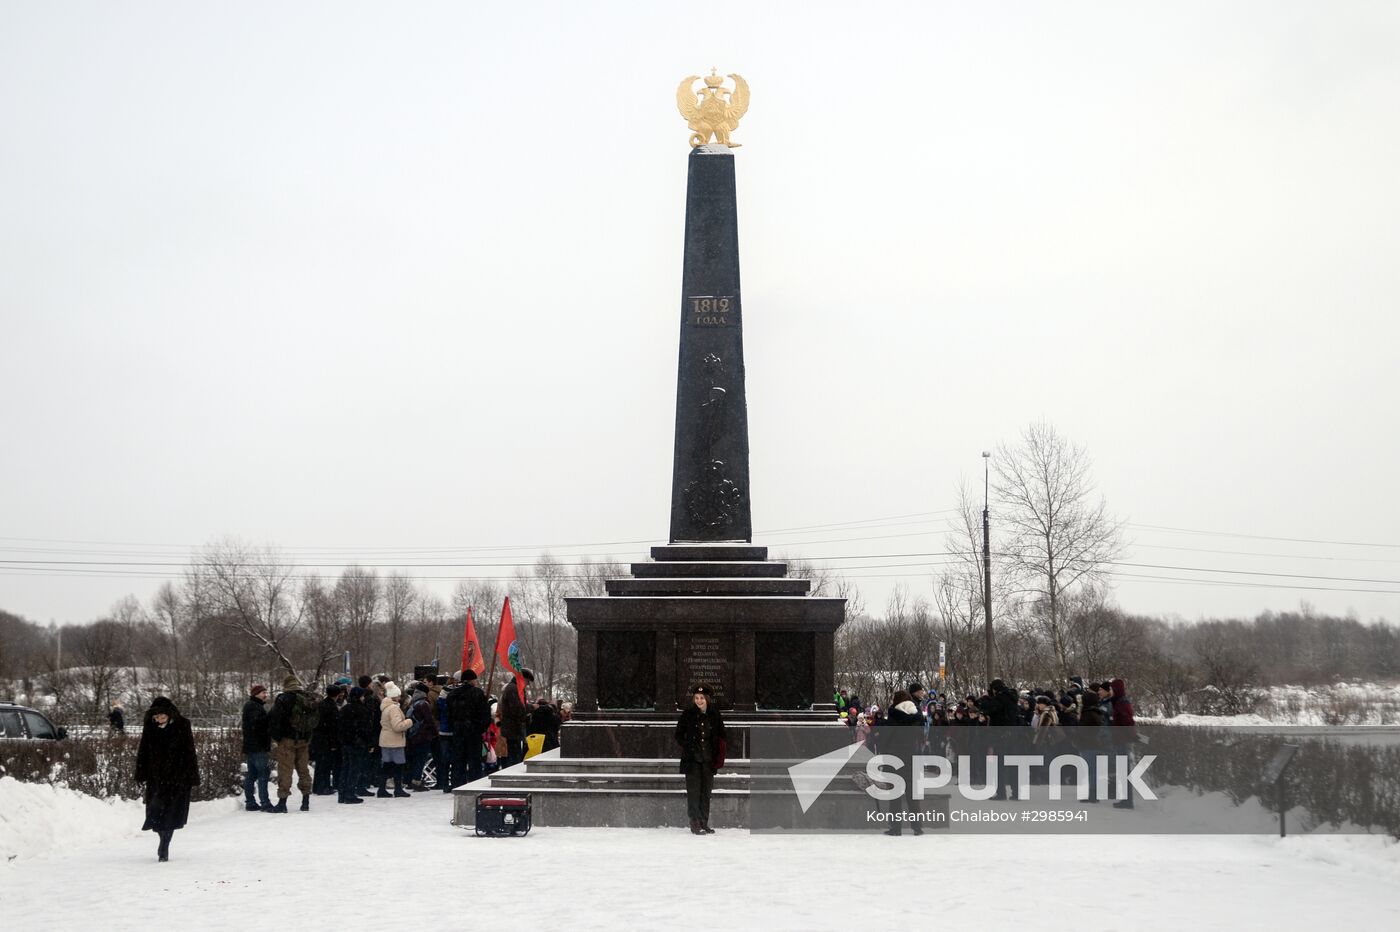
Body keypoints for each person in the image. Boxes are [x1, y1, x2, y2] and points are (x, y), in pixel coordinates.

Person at [134, 696, 200, 862]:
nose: (159, 720)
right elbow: (143, 750)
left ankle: (165, 844)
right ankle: (162, 837)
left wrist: (192, 775)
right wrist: (140, 773)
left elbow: (189, 750)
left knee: (171, 814)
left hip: (178, 777)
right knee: (155, 813)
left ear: (170, 714)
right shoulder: (150, 727)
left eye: (162, 716)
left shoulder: (183, 725)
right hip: (156, 777)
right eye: (156, 717)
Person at [675, 683, 725, 835]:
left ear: (707, 699)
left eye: (702, 698)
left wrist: (717, 753)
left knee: (706, 792)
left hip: (709, 759)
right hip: (693, 760)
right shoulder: (688, 714)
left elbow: (722, 734)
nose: (699, 701)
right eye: (696, 698)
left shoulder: (714, 714)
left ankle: (704, 821)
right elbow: (678, 734)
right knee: (694, 792)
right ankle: (695, 822)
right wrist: (688, 746)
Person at [267, 674, 318, 812]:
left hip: (287, 740)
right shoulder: (307, 698)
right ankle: (305, 801)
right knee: (303, 770)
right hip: (304, 740)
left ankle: (282, 803)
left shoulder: (283, 699)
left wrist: (278, 737)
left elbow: (275, 719)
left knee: (285, 770)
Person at [878, 690, 925, 835]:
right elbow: (921, 736)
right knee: (912, 794)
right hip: (912, 757)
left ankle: (896, 828)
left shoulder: (893, 715)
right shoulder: (917, 716)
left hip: (895, 757)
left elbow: (886, 737)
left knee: (895, 795)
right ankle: (917, 827)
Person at [336, 687, 373, 804]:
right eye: (362, 696)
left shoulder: (344, 709)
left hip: (346, 743)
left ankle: (342, 794)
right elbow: (366, 729)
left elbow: (339, 727)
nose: (363, 698)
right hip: (357, 744)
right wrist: (368, 742)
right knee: (354, 769)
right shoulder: (362, 710)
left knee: (345, 768)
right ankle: (350, 794)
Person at [377, 681, 413, 797]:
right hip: (395, 741)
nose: (400, 697)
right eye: (398, 695)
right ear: (394, 696)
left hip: (385, 740)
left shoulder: (385, 707)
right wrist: (409, 721)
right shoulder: (393, 709)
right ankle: (398, 789)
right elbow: (397, 726)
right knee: (398, 765)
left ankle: (381, 789)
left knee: (386, 765)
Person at [241, 684, 273, 812]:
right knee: (262, 774)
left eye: (266, 692)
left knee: (252, 774)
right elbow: (259, 724)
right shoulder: (254, 707)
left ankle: (250, 802)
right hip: (258, 746)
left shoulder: (252, 706)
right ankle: (265, 802)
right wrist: (270, 715)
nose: (265, 695)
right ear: (255, 695)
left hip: (251, 746)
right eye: (262, 693)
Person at [1109, 677, 1138, 809]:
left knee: (1123, 770)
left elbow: (1127, 721)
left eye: (1112, 689)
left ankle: (1127, 800)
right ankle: (1125, 799)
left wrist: (1131, 735)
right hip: (1119, 739)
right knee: (1122, 770)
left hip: (1122, 740)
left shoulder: (1122, 703)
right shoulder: (1119, 702)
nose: (1111, 691)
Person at [498, 668, 534, 768]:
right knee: (513, 758)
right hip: (512, 730)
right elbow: (517, 709)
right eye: (527, 681)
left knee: (514, 756)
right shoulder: (513, 689)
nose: (528, 685)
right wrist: (531, 708)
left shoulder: (515, 689)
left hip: (514, 729)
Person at [405, 682, 439, 790]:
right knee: (420, 759)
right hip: (423, 736)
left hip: (412, 735)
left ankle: (410, 780)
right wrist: (435, 733)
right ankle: (417, 781)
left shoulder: (412, 702)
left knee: (413, 759)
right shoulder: (424, 704)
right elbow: (429, 721)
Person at [311, 684, 343, 796]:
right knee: (325, 764)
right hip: (326, 740)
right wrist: (334, 742)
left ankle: (317, 786)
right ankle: (323, 787)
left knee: (320, 764)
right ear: (337, 694)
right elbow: (333, 726)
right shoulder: (331, 707)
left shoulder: (322, 704)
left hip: (319, 738)